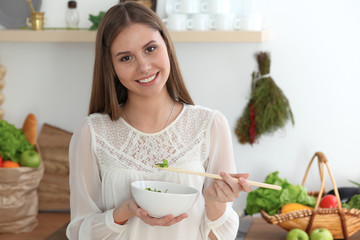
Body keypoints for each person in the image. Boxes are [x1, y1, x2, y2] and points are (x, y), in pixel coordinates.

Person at [66, 2, 251, 240]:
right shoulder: (91, 132)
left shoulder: (210, 125)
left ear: (167, 47)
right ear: (110, 67)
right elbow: (79, 232)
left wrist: (215, 202)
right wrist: (125, 211)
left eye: (150, 49)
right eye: (126, 58)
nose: (143, 66)